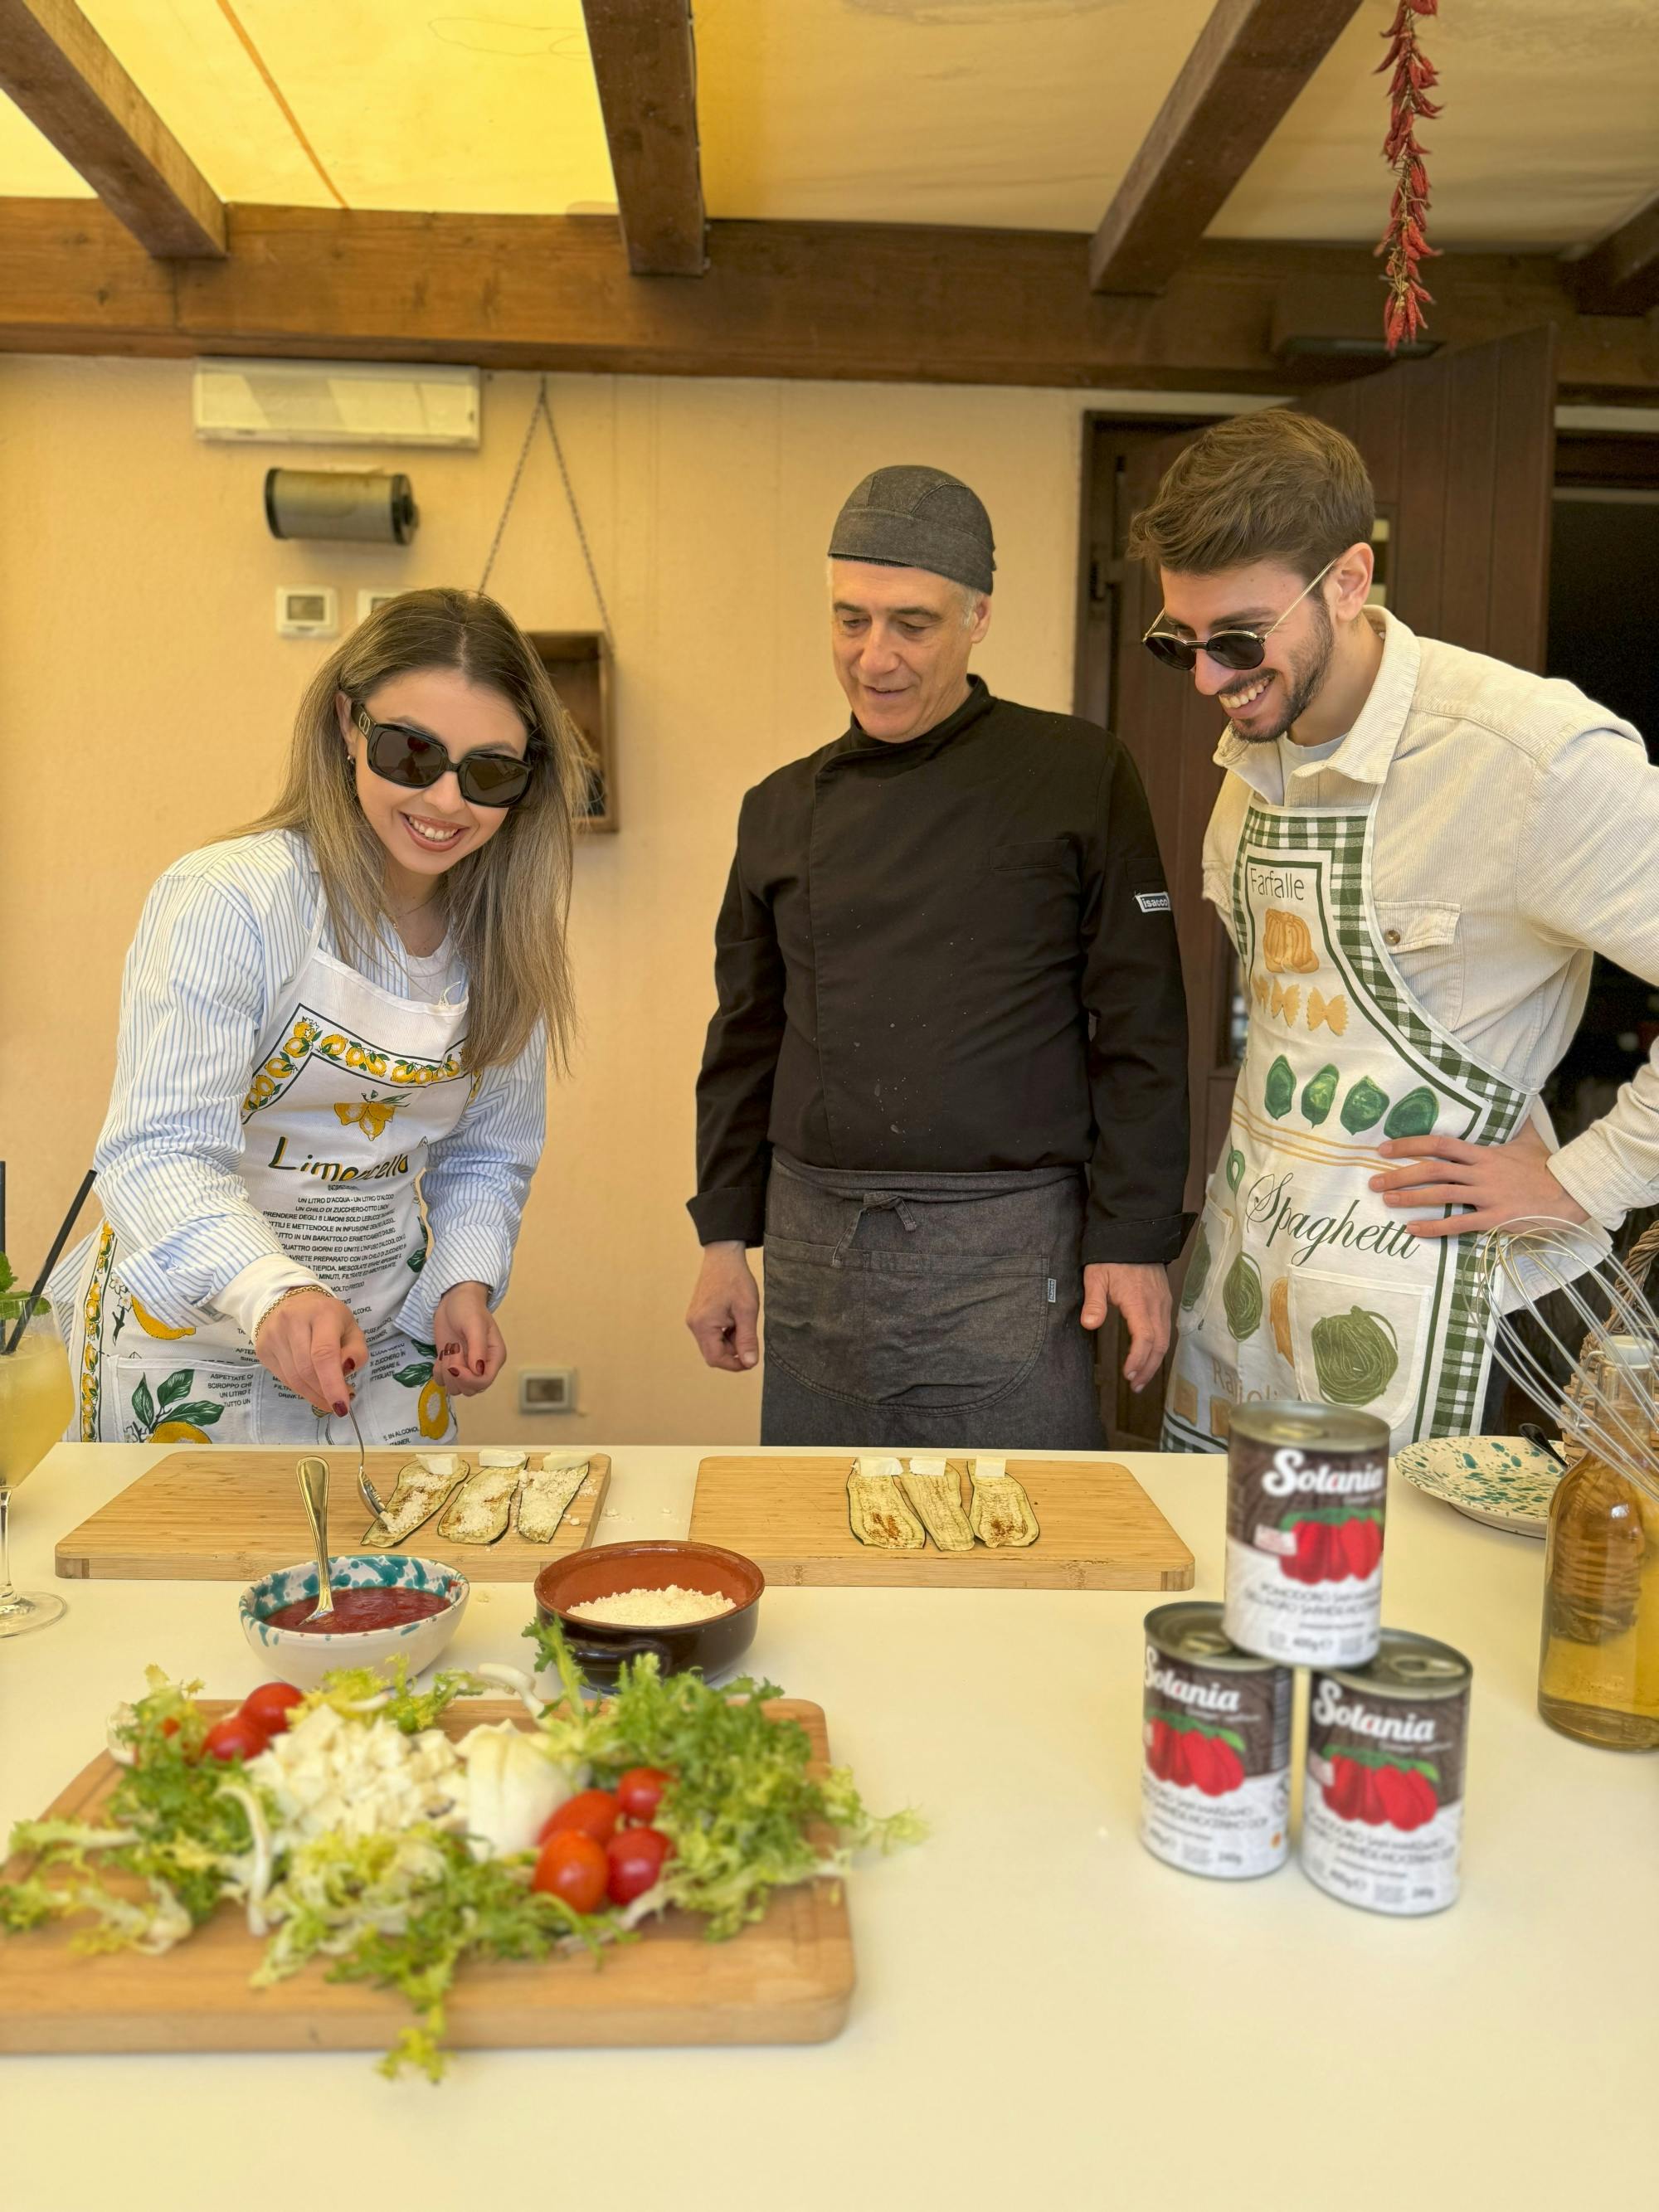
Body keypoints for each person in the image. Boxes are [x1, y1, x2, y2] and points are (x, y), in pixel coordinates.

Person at [1127, 411, 1659, 1451]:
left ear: (1346, 578)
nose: (1203, 679)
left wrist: (1580, 1181)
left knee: (1394, 1604)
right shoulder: (1250, 766)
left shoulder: (1528, 761)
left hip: (1442, 1312)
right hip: (1251, 1287)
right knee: (1236, 1594)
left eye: (1235, 639)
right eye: (1175, 644)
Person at [685, 464, 1190, 1449]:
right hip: (814, 1249)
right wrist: (719, 1241)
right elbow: (742, 1037)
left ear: (977, 617)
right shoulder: (779, 808)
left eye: (911, 624)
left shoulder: (1079, 775)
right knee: (818, 1544)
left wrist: (1132, 1239)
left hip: (1008, 1253)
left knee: (1025, 1547)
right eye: (849, 620)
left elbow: (1141, 1024)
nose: (875, 657)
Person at [51, 588, 589, 1446]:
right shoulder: (229, 900)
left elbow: (487, 1156)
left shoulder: (502, 940)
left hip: (381, 1340)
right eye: (411, 753)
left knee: (392, 1579)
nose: (447, 801)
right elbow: (159, 1152)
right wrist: (273, 1291)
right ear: (348, 724)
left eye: (489, 771)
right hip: (192, 1338)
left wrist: (462, 1282)